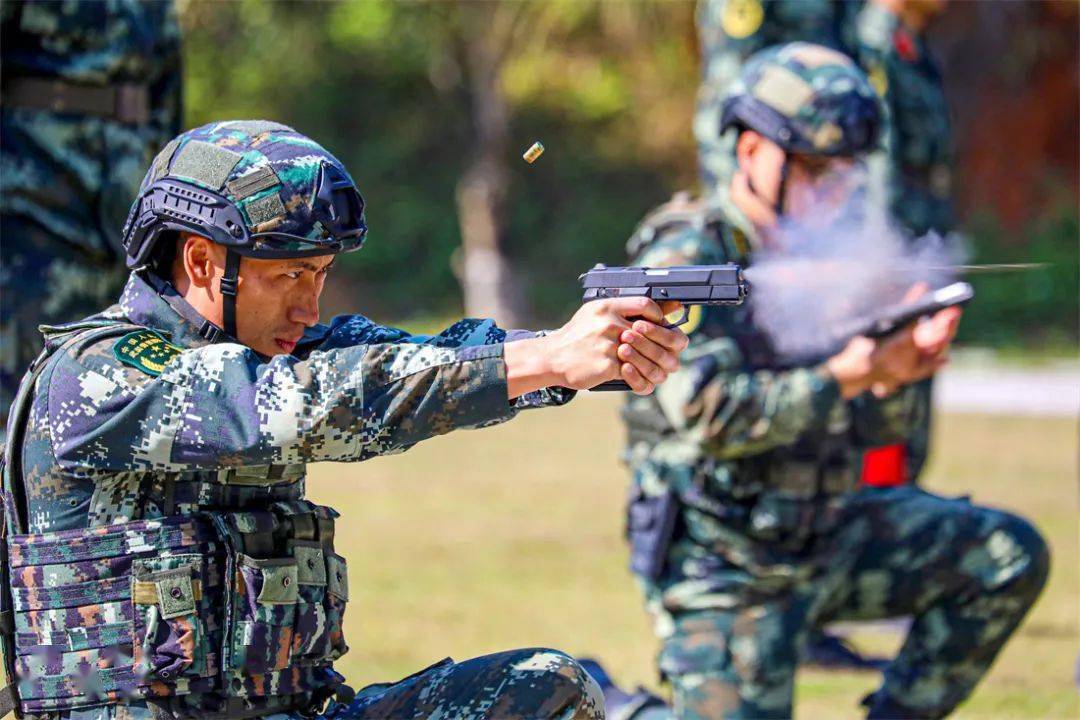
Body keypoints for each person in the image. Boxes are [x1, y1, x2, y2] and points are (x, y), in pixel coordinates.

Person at [0, 120, 692, 719]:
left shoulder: (280, 352)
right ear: (202, 261)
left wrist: (583, 352)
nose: (309, 306)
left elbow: (421, 359)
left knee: (547, 691)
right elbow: (304, 402)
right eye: (289, 276)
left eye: (320, 274)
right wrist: (547, 359)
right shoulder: (99, 377)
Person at [589, 44, 1048, 719]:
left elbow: (875, 434)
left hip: (829, 530)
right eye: (811, 167)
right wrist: (851, 371)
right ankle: (616, 708)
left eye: (843, 173)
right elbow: (713, 416)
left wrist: (899, 373)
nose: (830, 190)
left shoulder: (838, 256)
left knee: (1006, 555)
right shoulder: (688, 256)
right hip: (725, 563)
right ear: (751, 154)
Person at [0, 0, 184, 440]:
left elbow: (166, 89)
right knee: (18, 403)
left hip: (128, 228)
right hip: (31, 215)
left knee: (109, 389)